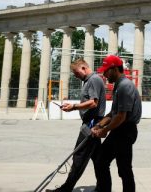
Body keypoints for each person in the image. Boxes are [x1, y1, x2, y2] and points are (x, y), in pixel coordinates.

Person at [46, 58, 107, 192]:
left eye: (76, 72)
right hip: (91, 122)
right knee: (98, 159)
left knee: (79, 156)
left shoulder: (93, 80)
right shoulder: (89, 81)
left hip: (92, 124)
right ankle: (104, 188)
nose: (75, 75)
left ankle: (66, 189)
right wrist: (73, 106)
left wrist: (74, 107)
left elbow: (93, 103)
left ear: (84, 68)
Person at [92, 55, 142, 192]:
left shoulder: (125, 87)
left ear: (114, 69)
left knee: (109, 163)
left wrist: (105, 130)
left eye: (106, 71)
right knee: (119, 166)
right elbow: (113, 113)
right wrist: (99, 125)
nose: (104, 74)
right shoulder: (119, 85)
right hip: (121, 129)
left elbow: (121, 116)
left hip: (124, 130)